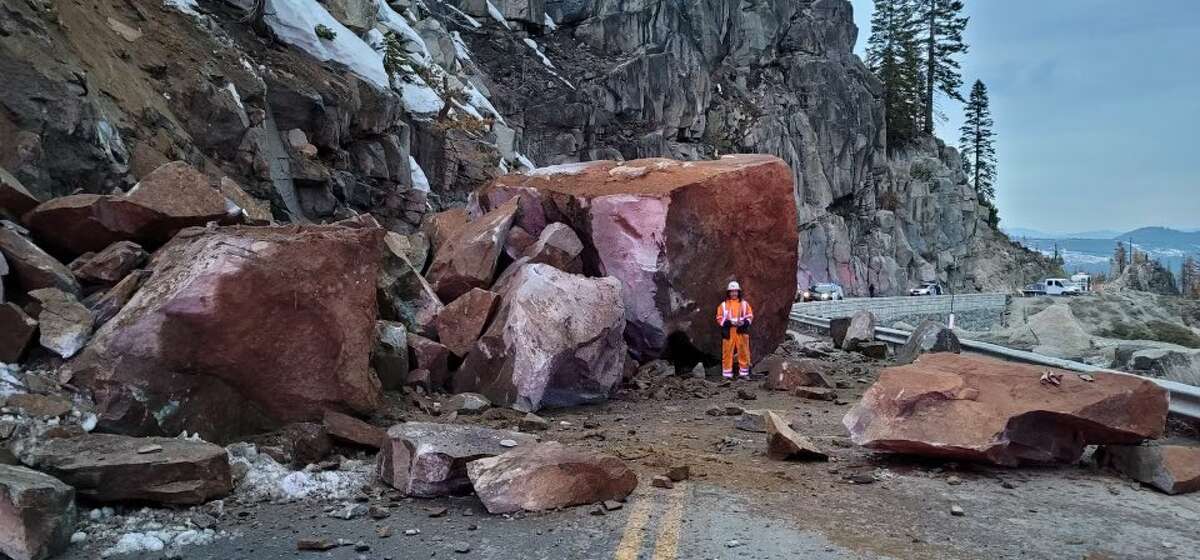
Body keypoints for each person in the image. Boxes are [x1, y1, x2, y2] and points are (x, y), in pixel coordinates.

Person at [715, 281, 754, 379]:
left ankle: (744, 373)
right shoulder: (723, 305)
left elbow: (750, 316)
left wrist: (744, 323)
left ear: (738, 292)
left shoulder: (744, 304)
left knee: (744, 351)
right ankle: (727, 374)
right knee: (727, 352)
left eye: (735, 291)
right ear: (728, 293)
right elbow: (719, 318)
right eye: (731, 291)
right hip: (729, 331)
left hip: (741, 330)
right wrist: (729, 323)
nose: (734, 293)